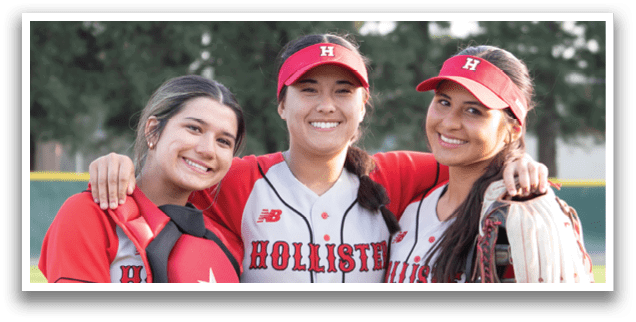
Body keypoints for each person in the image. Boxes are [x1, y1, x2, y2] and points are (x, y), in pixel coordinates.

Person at [86, 34, 549, 283]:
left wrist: (520, 164)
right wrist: (120, 165)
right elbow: (163, 188)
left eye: (343, 91)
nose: (326, 105)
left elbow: (476, 161)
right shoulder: (239, 179)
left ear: (363, 105)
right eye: (308, 90)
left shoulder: (399, 175)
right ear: (282, 105)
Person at [385, 45, 593, 283]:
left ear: (512, 131)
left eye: (473, 111)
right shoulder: (411, 206)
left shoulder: (522, 218)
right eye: (444, 102)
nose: (450, 123)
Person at [39, 75, 246, 283]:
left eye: (223, 141)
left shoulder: (224, 241)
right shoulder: (92, 214)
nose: (208, 150)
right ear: (152, 131)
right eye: (194, 128)